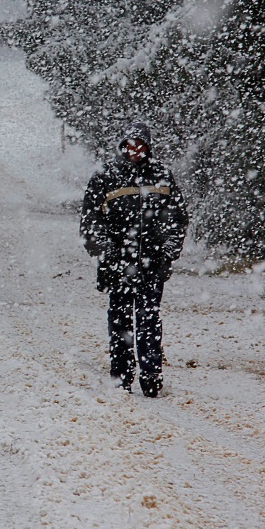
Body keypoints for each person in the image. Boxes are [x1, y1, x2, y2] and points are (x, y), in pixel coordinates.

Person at [79, 121, 188, 397]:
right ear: (122, 146)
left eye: (140, 145)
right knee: (119, 321)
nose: (135, 150)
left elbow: (178, 219)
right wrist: (106, 249)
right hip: (117, 266)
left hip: (152, 264)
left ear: (148, 147)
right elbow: (90, 221)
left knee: (149, 318)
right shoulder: (105, 176)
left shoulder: (162, 175)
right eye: (130, 145)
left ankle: (151, 376)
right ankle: (122, 377)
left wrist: (167, 252)